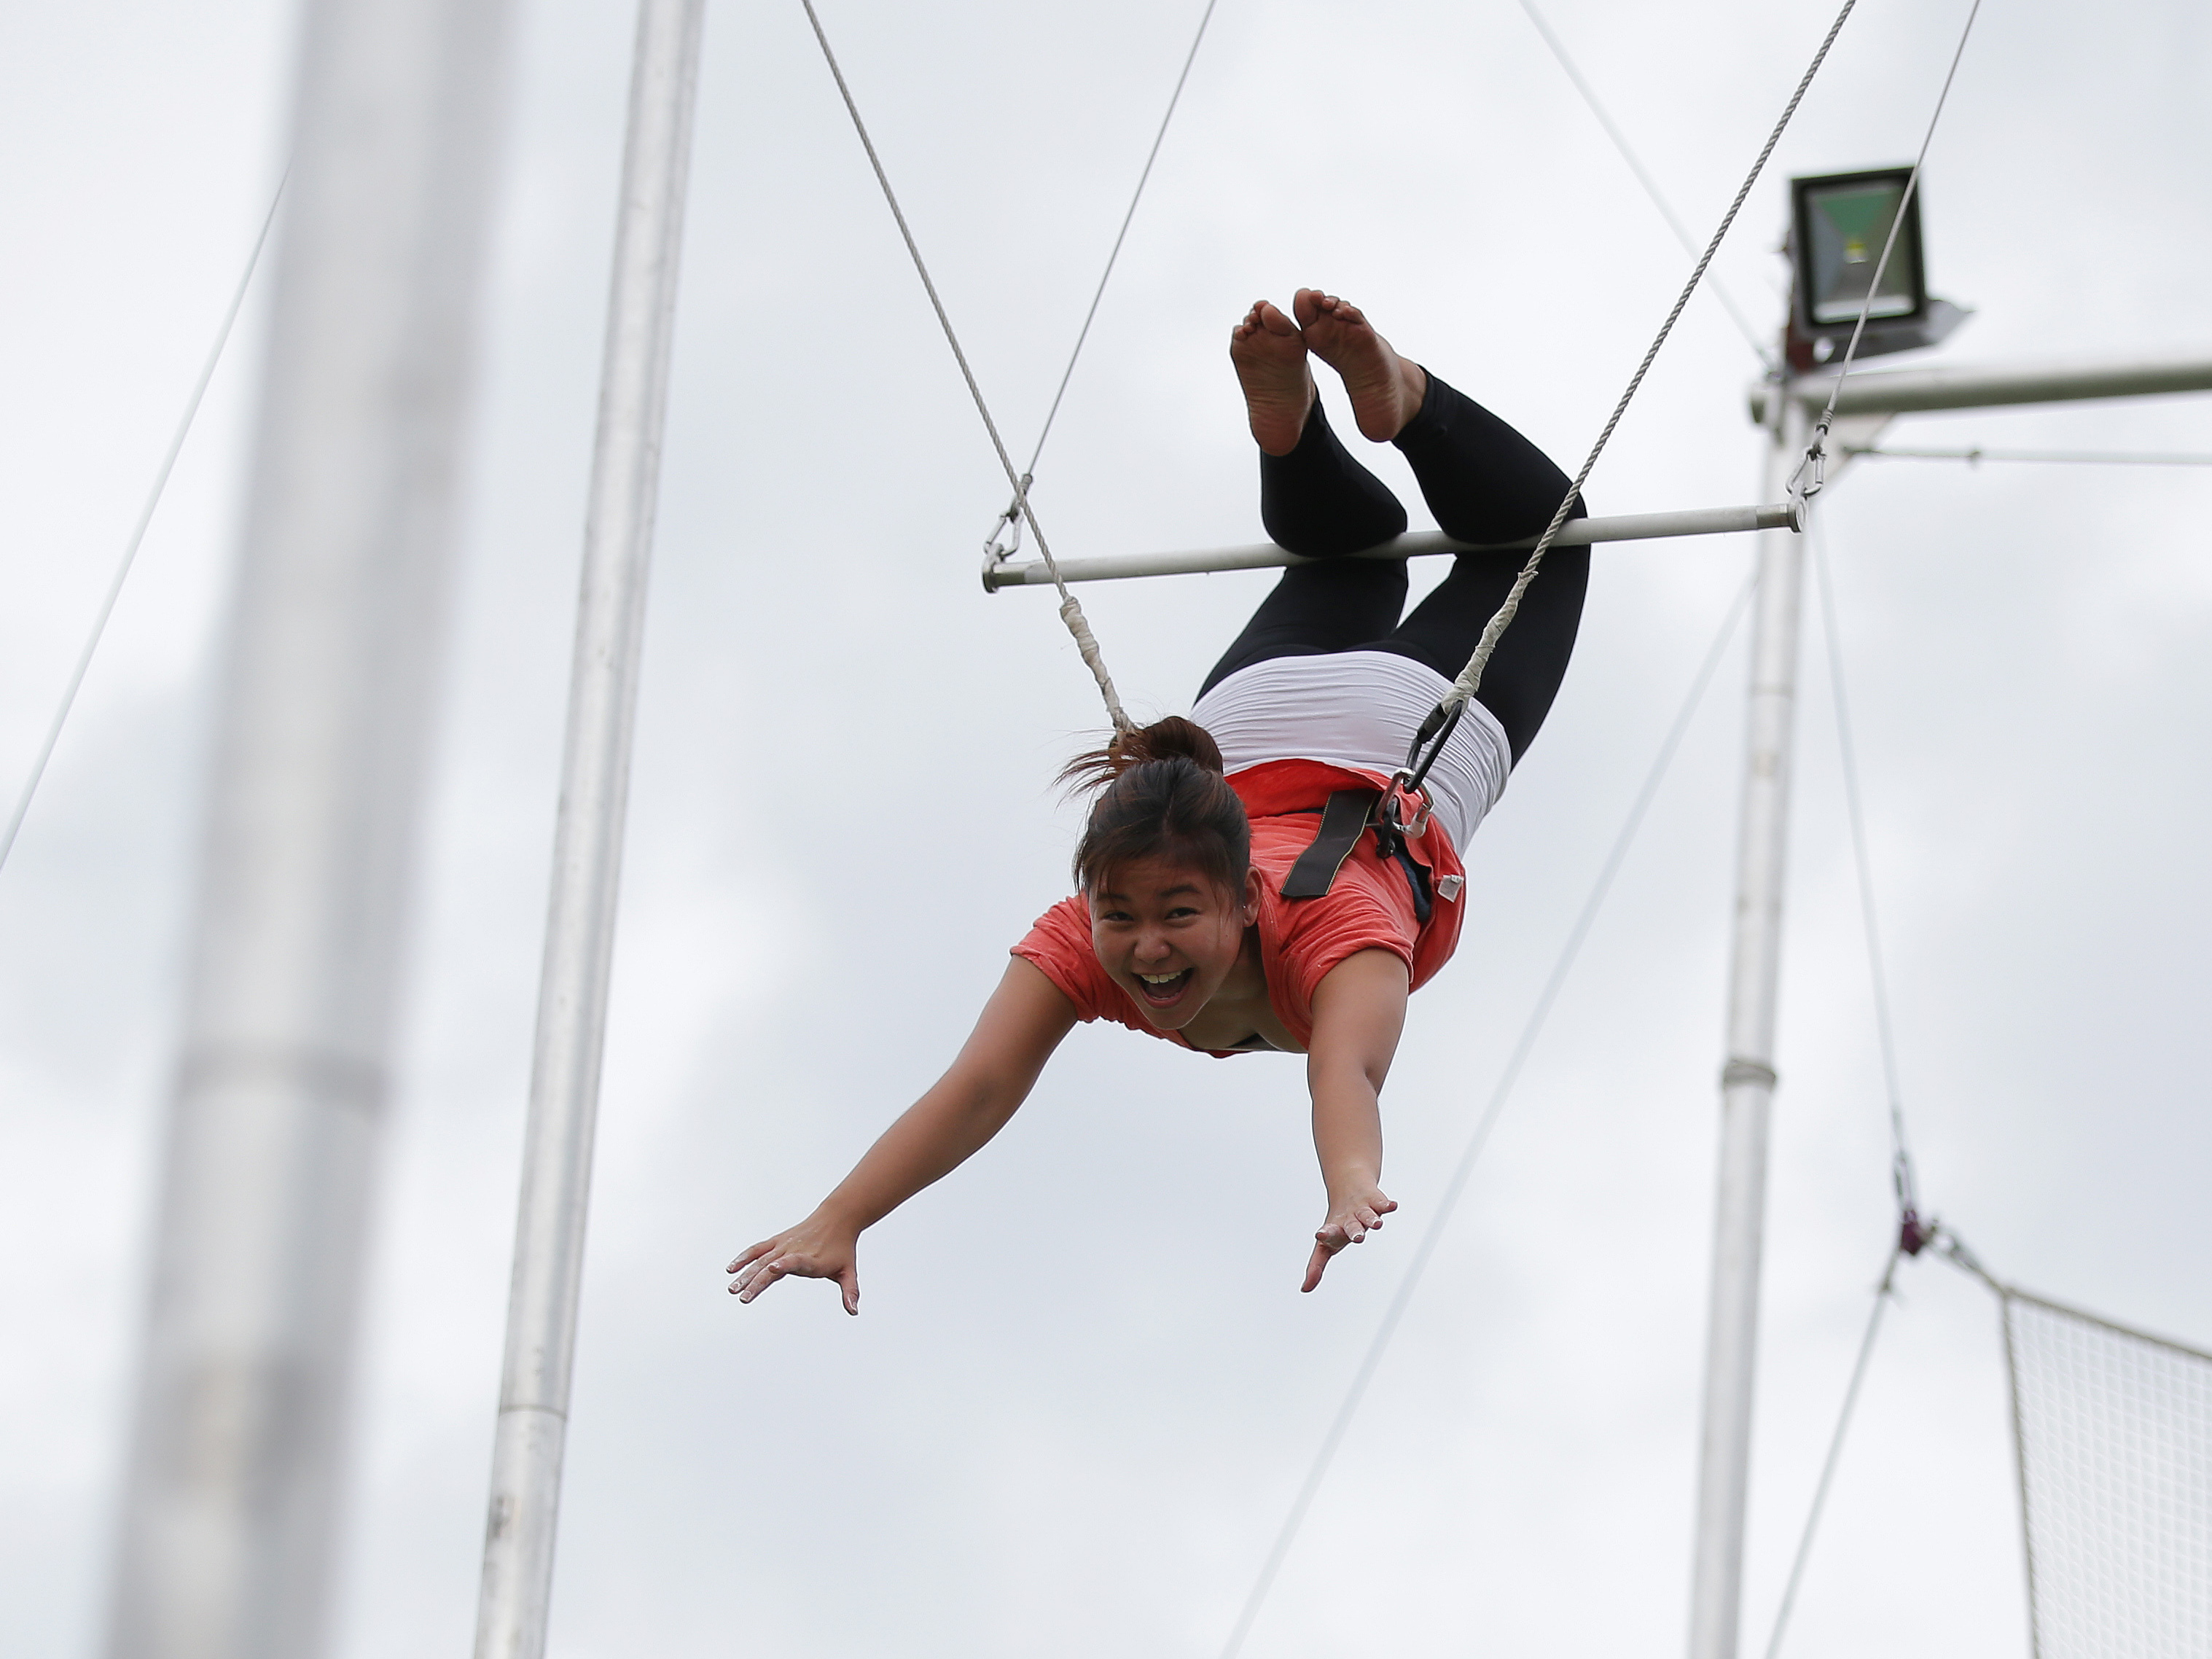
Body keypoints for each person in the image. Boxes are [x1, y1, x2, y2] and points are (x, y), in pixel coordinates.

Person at [727, 289, 1589, 1312]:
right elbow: (980, 1088)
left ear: (1240, 904)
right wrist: (841, 1217)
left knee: (1544, 535)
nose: (1145, 950)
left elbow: (1344, 1077)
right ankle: (1300, 437)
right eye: (1123, 918)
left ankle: (1392, 403)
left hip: (1391, 731)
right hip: (1248, 724)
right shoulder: (1094, 929)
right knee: (1350, 562)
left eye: (1177, 917)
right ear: (1091, 901)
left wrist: (1353, 1182)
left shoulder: (1336, 925)